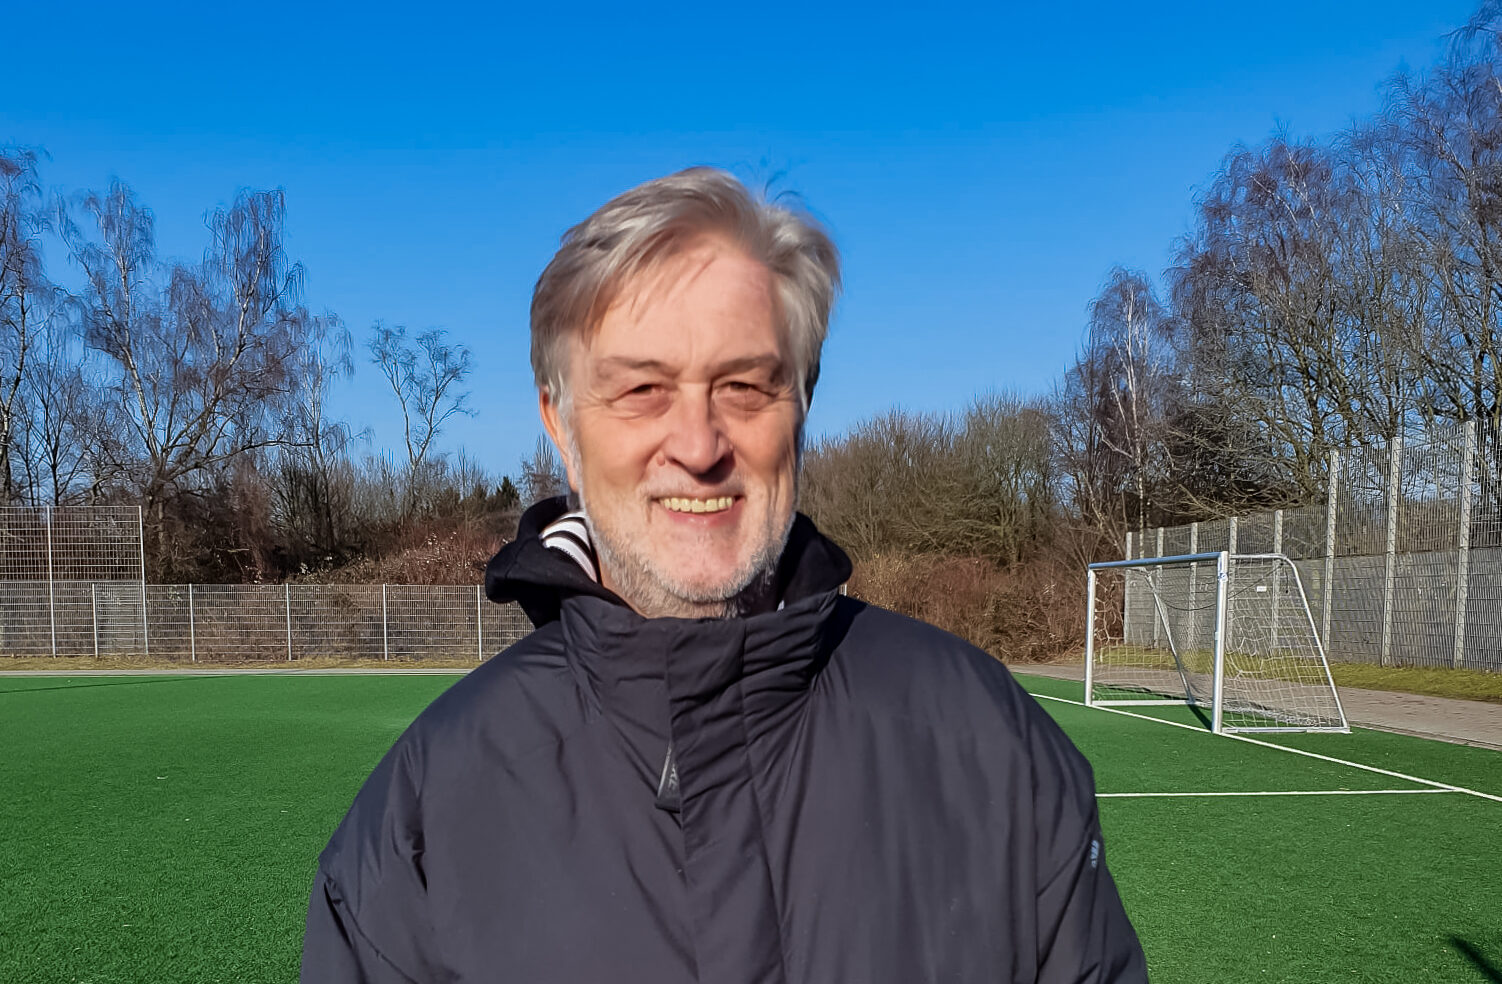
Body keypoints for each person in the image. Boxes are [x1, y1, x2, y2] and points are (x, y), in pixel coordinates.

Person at [301, 168, 1147, 983]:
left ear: (802, 408)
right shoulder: (425, 814)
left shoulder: (990, 745)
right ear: (561, 424)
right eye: (642, 389)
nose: (699, 446)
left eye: (743, 386)